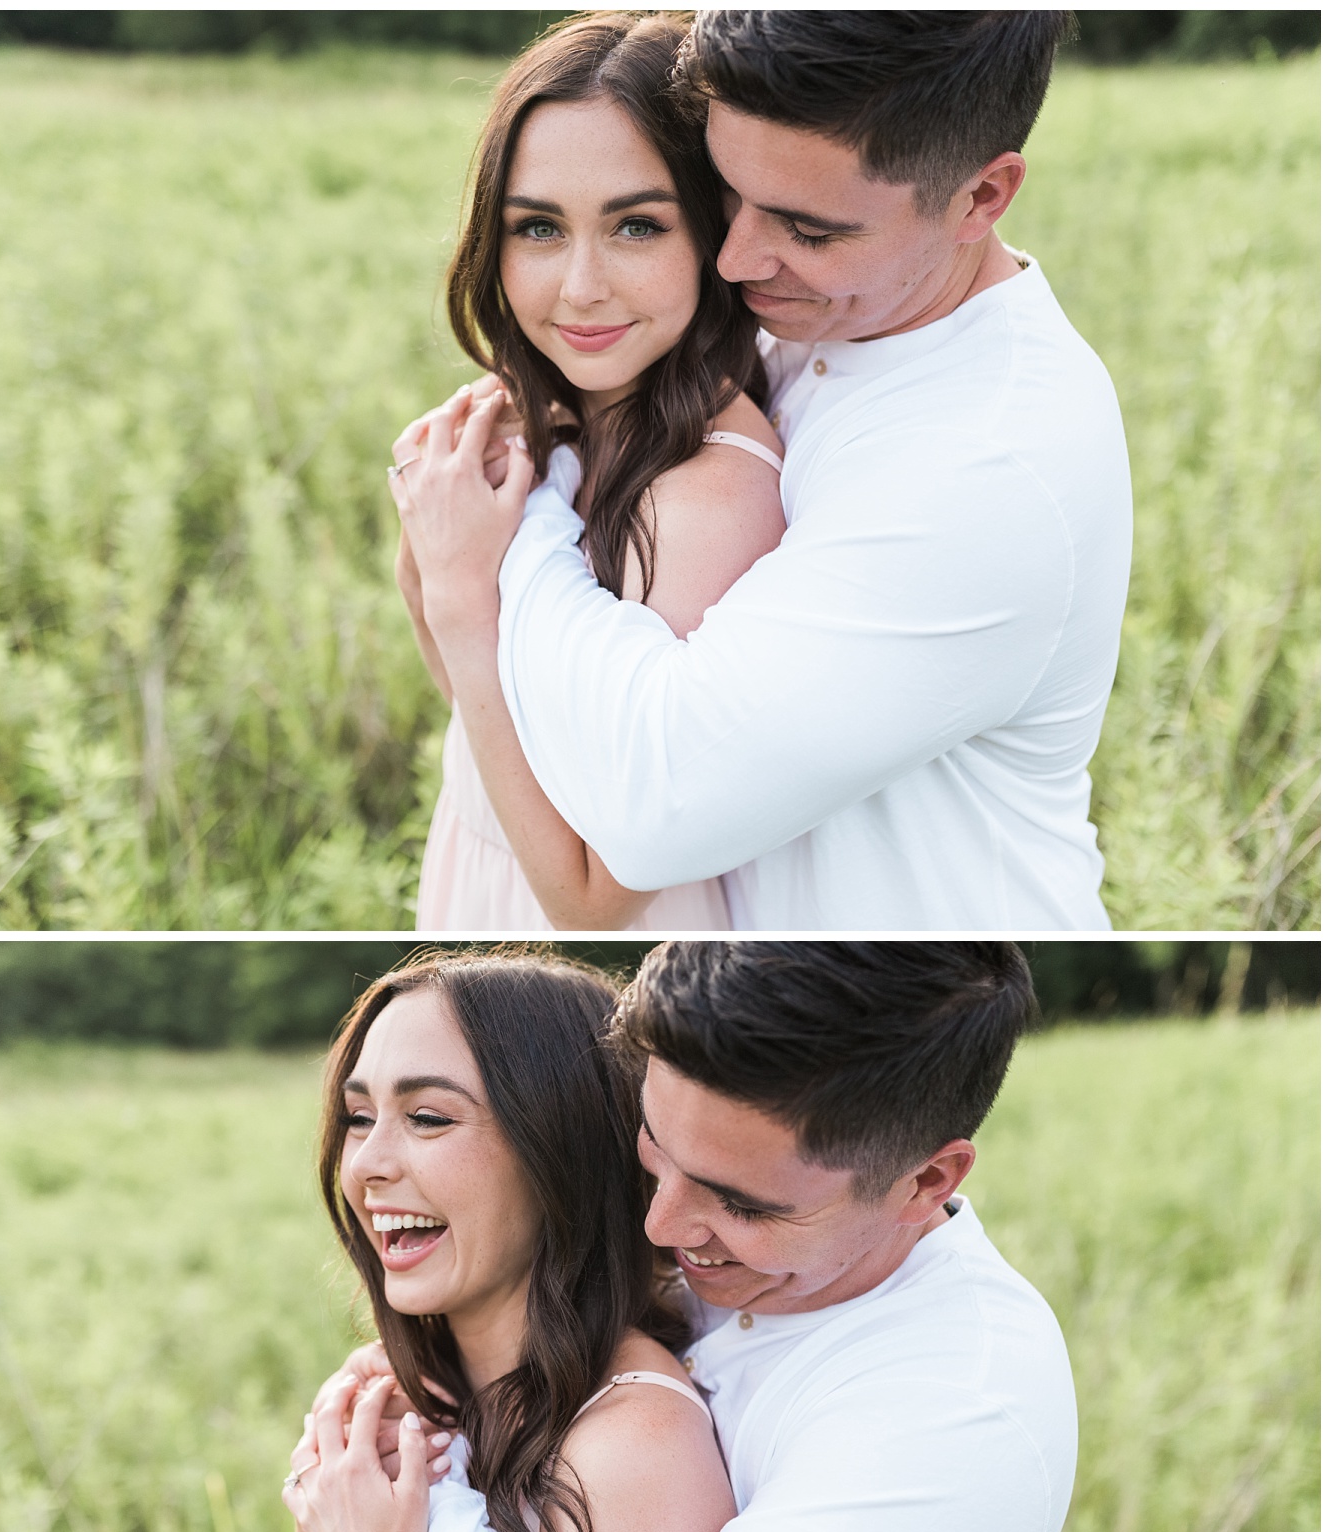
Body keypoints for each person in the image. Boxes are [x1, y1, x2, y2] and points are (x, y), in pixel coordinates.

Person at [311, 940, 1079, 1532]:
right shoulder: (669, 1288)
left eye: (739, 1203)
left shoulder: (955, 1409)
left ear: (924, 1183)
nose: (660, 1227)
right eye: (650, 1154)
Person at [394, 11, 1133, 931]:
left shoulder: (984, 471)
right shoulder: (822, 311)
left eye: (807, 229)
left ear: (981, 197)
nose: (735, 259)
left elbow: (644, 819)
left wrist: (509, 533)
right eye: (729, 194)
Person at [282, 949, 736, 1532]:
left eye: (427, 1117)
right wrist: (331, 1529)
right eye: (359, 1116)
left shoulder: (632, 1446)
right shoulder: (424, 1387)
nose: (367, 1164)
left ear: (556, 1145)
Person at [392, 11, 784, 932]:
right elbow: (487, 718)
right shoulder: (543, 425)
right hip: (479, 865)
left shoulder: (709, 495)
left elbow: (595, 897)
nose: (580, 287)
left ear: (713, 232)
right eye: (537, 229)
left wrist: (458, 591)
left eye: (636, 227)